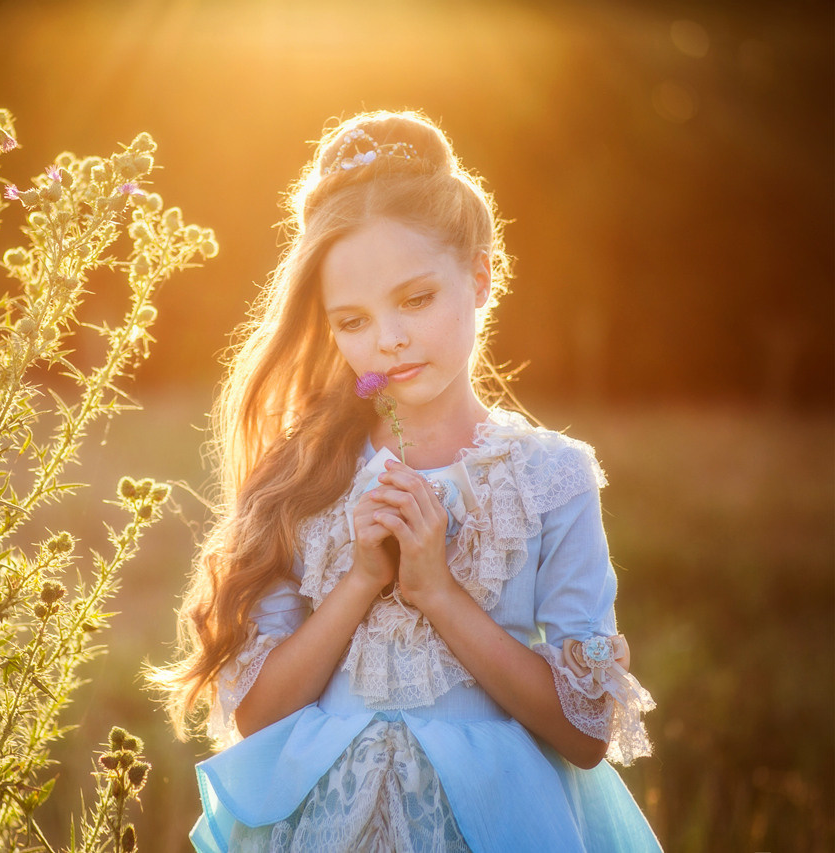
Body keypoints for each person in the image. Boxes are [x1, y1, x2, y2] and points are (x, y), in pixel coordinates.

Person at [155, 110, 661, 852]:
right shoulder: (301, 474)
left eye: (415, 299)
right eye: (353, 319)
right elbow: (258, 713)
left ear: (481, 277)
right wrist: (361, 579)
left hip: (492, 821)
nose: (387, 338)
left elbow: (584, 732)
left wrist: (439, 592)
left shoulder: (551, 476)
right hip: (324, 822)